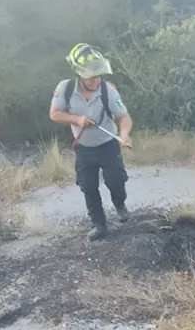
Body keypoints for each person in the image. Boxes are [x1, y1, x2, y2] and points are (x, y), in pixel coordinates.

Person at [49, 43, 134, 241]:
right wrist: (76, 120)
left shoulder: (108, 90)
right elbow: (54, 114)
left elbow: (124, 116)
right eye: (91, 76)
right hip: (84, 148)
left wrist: (124, 134)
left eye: (98, 75)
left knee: (116, 180)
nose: (95, 80)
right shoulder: (65, 89)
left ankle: (119, 204)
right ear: (79, 74)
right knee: (88, 186)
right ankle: (99, 225)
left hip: (108, 144)